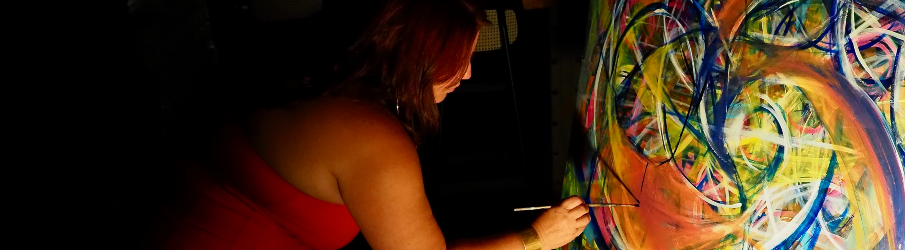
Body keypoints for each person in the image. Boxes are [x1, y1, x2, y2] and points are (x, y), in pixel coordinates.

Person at [144, 0, 590, 249]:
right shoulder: (371, 139)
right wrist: (535, 237)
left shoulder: (323, 75)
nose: (469, 74)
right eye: (461, 59)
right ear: (416, 57)